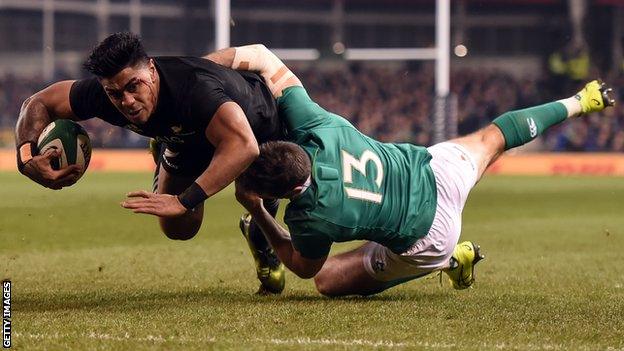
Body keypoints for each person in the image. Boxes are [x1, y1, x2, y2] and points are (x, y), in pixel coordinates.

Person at [214, 44, 615, 296]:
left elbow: (302, 267)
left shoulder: (313, 218)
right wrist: (198, 68)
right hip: (435, 169)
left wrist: (259, 212)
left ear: (283, 195)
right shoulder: (322, 127)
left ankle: (450, 261)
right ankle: (582, 100)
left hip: (429, 235)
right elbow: (264, 57)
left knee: (328, 281)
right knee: (496, 136)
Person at [14, 32, 285, 294]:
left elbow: (243, 146)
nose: (127, 101)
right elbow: (37, 102)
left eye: (134, 86)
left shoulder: (193, 89)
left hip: (258, 129)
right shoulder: (104, 94)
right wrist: (26, 159)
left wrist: (183, 200)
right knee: (178, 228)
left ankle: (259, 235)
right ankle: (168, 144)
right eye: (115, 93)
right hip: (188, 136)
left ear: (152, 70)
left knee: (258, 192)